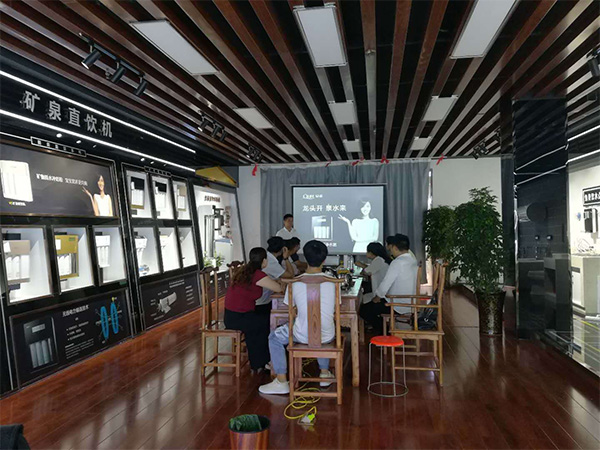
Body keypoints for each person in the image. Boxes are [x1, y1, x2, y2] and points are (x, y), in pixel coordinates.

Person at [259, 240, 337, 395]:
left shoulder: (294, 283)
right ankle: (324, 373)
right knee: (321, 326)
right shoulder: (333, 283)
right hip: (328, 336)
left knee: (274, 337)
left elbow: (291, 310)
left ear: (305, 259)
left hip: (301, 335)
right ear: (324, 260)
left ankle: (281, 381)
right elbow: (334, 308)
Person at [224, 248, 284, 372]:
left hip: (231, 316)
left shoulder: (245, 271)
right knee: (267, 323)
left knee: (260, 321)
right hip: (240, 317)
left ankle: (259, 362)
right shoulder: (258, 274)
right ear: (264, 261)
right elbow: (278, 288)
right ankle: (263, 361)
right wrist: (280, 282)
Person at [359, 234, 418, 335]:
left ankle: (385, 331)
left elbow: (386, 284)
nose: (390, 251)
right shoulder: (413, 260)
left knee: (364, 310)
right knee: (371, 306)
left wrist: (377, 297)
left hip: (397, 304)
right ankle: (383, 329)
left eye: (391, 248)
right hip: (410, 301)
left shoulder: (397, 262)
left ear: (395, 247)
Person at [255, 236, 295, 316]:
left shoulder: (268, 257)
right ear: (282, 249)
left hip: (260, 297)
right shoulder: (271, 262)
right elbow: (290, 275)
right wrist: (286, 258)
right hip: (262, 302)